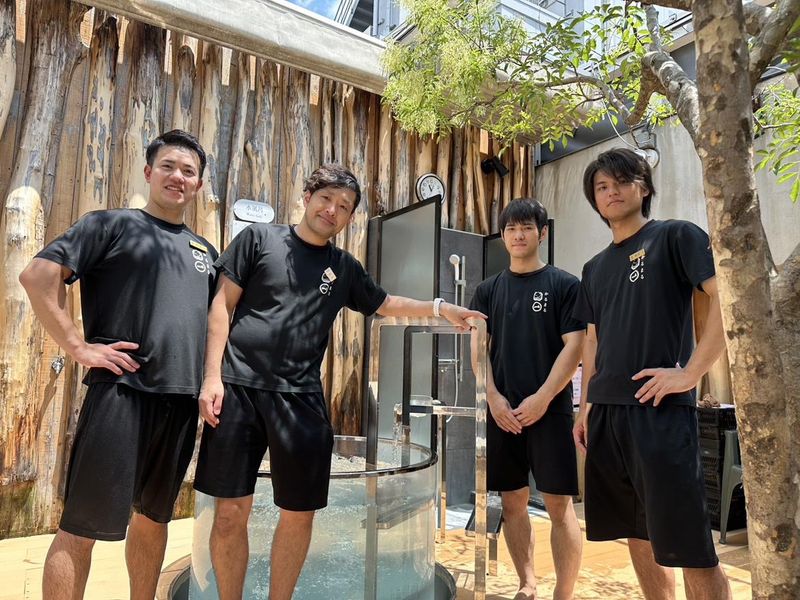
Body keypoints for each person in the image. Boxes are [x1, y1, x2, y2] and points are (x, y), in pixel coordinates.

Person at [193, 163, 485, 600]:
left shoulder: (343, 267)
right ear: (307, 197)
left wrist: (442, 308)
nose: (332, 210)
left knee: (299, 512)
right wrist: (211, 377)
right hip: (237, 390)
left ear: (349, 218)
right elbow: (222, 306)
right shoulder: (258, 239)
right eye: (326, 198)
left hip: (301, 401)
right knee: (230, 513)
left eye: (344, 206)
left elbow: (385, 303)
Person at [19, 130, 216, 600]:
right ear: (148, 172)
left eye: (189, 171)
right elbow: (37, 276)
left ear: (198, 185)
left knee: (153, 521)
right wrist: (79, 347)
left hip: (179, 404)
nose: (178, 176)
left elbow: (216, 324)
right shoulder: (109, 225)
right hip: (120, 397)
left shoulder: (206, 253)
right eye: (168, 166)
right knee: (80, 527)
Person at [572, 148, 731, 599]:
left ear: (643, 187)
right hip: (607, 415)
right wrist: (585, 408)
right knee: (636, 535)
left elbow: (726, 298)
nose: (611, 192)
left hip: (660, 411)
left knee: (691, 548)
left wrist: (691, 374)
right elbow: (592, 341)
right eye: (601, 186)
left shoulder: (675, 236)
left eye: (621, 181)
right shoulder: (594, 267)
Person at [469, 199, 584, 600]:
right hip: (503, 412)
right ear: (503, 236)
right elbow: (478, 350)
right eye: (511, 229)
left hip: (549, 411)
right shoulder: (487, 291)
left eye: (527, 228)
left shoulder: (565, 285)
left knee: (559, 506)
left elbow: (575, 346)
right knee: (512, 502)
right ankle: (527, 583)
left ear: (542, 232)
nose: (518, 235)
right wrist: (492, 398)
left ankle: (563, 594)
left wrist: (543, 398)